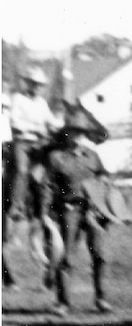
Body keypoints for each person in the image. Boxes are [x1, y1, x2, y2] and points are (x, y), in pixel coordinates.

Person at [43, 114, 117, 315]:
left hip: (93, 211)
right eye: (73, 132)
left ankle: (101, 299)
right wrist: (45, 214)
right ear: (66, 134)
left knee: (99, 254)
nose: (77, 136)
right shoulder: (56, 158)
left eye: (80, 133)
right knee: (66, 256)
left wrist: (106, 188)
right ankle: (63, 302)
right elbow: (48, 186)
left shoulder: (92, 155)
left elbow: (103, 175)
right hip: (69, 210)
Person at [9, 67, 60, 221]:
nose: (37, 87)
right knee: (22, 171)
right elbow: (15, 122)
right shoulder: (18, 99)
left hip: (40, 144)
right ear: (28, 84)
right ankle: (16, 206)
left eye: (39, 85)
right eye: (34, 84)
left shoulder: (42, 103)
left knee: (52, 168)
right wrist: (35, 129)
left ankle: (52, 205)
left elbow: (51, 121)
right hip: (23, 142)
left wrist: (64, 124)